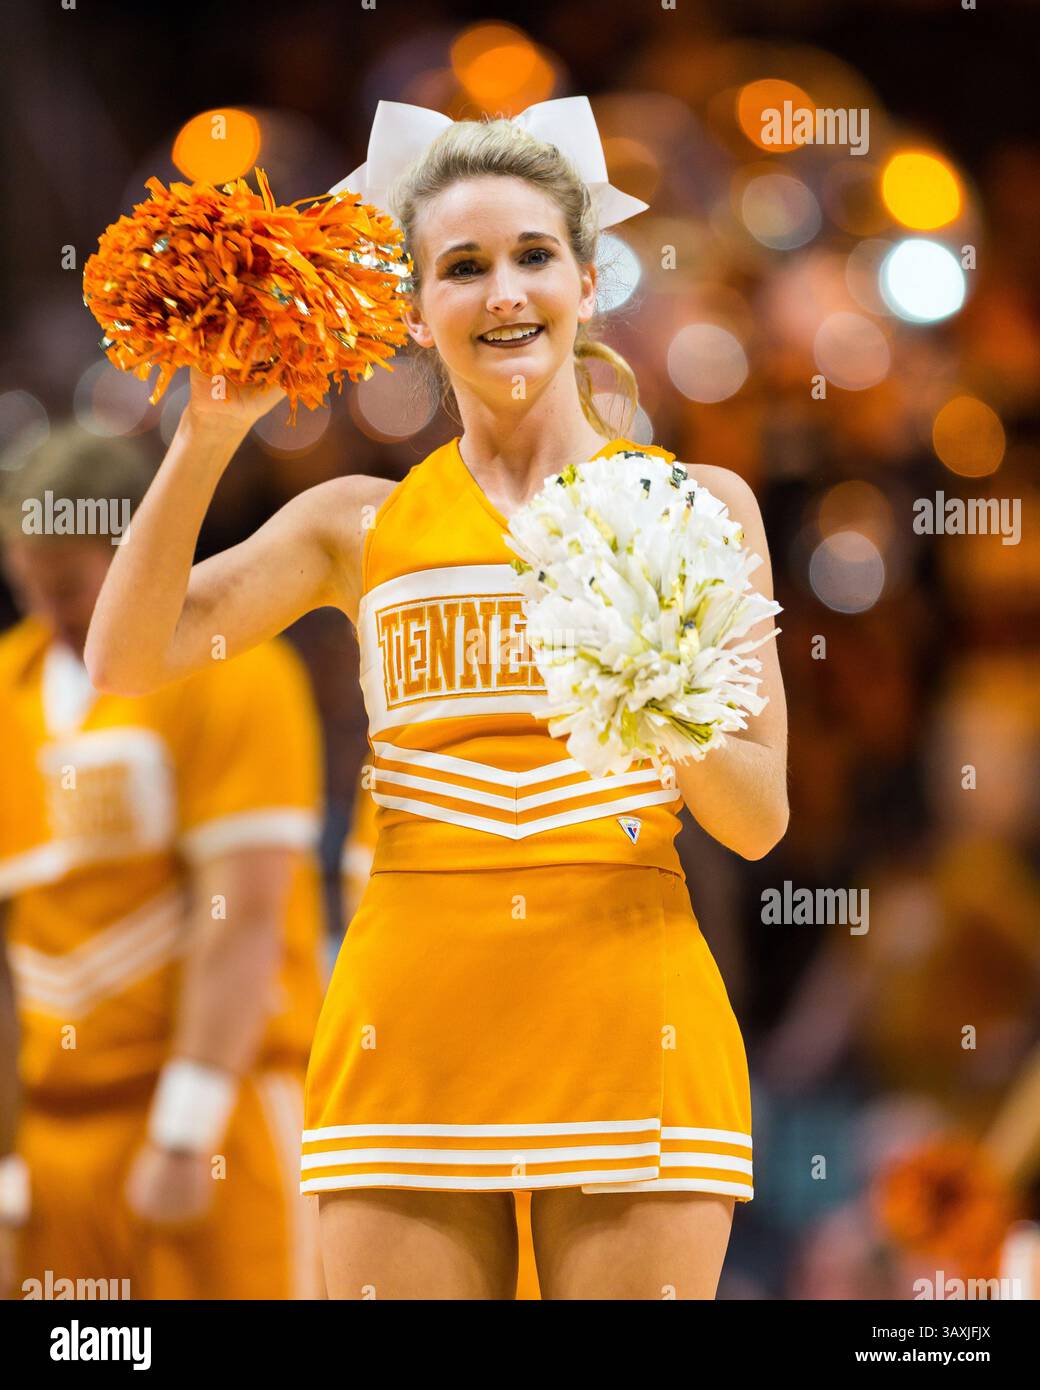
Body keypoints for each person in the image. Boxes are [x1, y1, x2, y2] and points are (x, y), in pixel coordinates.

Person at [85, 98, 788, 1299]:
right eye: (462, 267)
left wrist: (652, 686)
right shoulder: (354, 523)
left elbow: (758, 818)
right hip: (403, 1039)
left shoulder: (696, 506)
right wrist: (204, 439)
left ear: (582, 283)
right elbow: (127, 659)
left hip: (632, 1021)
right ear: (414, 309)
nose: (503, 292)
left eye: (532, 257)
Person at [0, 425, 326, 1299]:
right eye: (29, 582)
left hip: (217, 1117)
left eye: (71, 586)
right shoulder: (7, 692)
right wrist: (6, 1170)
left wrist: (187, 1128)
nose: (53, 611)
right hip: (59, 1134)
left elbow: (245, 918)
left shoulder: (236, 673)